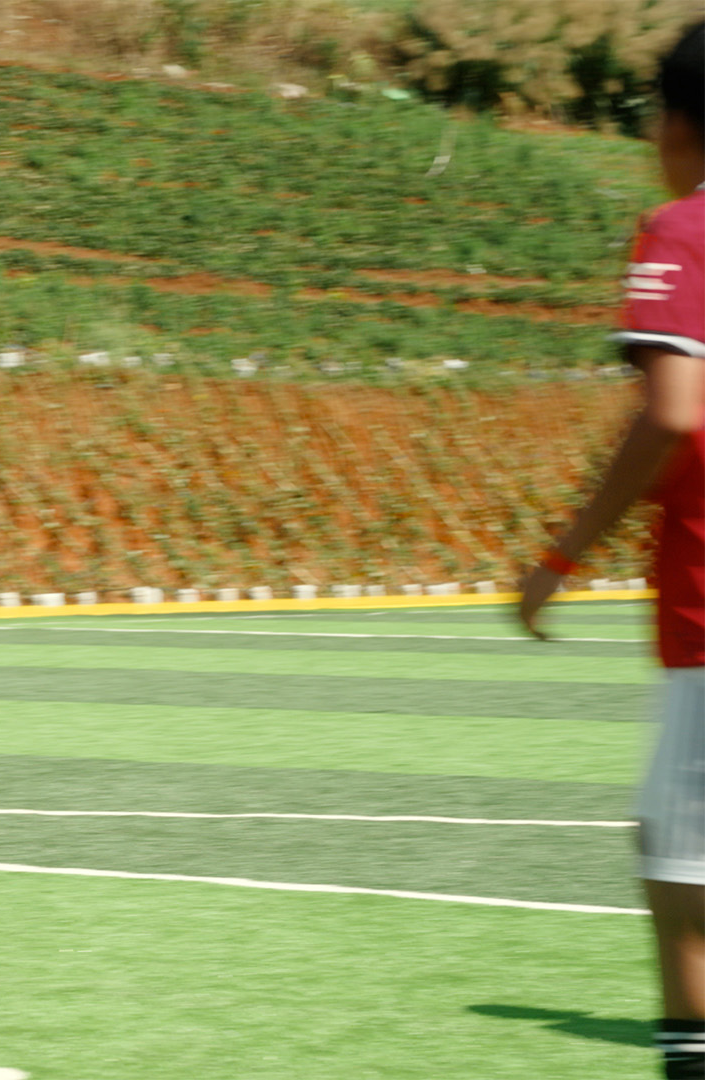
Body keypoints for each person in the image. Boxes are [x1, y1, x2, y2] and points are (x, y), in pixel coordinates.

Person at [517, 21, 705, 1079]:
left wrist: (562, 556)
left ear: (675, 123)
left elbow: (672, 412)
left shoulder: (682, 229)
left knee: (676, 854)